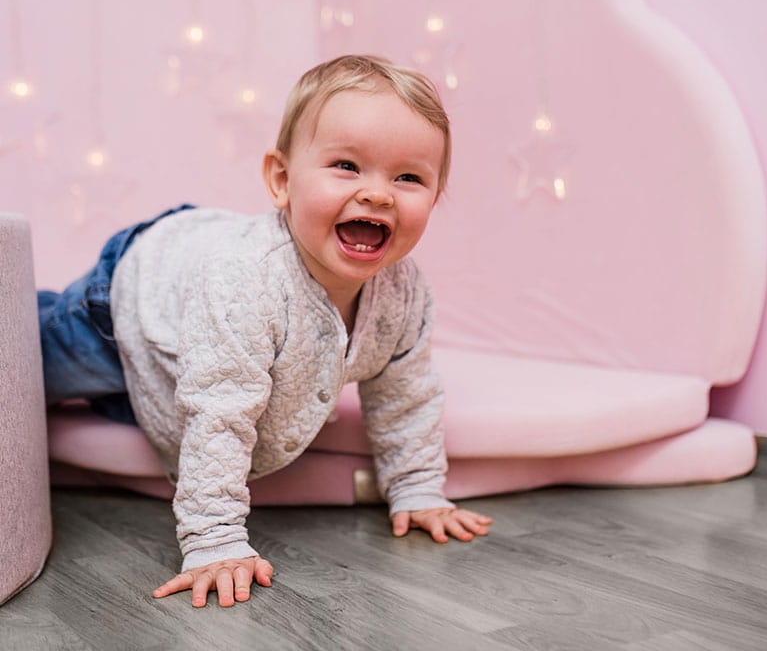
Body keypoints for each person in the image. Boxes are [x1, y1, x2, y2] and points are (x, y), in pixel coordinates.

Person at [39, 54, 492, 608]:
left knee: (127, 401)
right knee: (26, 372)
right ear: (282, 180)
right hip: (128, 300)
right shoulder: (247, 283)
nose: (378, 193)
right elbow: (220, 410)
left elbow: (406, 395)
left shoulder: (404, 293)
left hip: (197, 325)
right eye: (347, 167)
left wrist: (417, 487)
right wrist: (215, 540)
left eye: (408, 177)